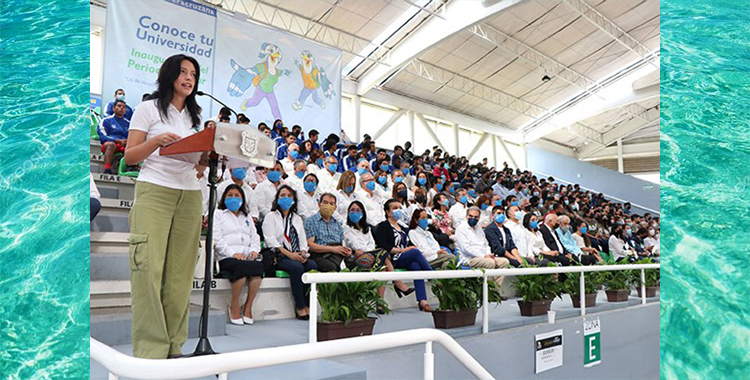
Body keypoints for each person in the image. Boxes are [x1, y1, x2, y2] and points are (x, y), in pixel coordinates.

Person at [123, 54, 206, 359]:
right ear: (169, 74)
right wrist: (156, 142)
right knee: (148, 270)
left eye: (194, 75)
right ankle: (150, 350)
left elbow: (198, 165)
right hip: (155, 190)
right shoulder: (148, 108)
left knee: (181, 276)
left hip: (189, 194)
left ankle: (173, 346)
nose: (188, 78)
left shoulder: (195, 118)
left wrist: (205, 161)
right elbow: (130, 157)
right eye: (183, 72)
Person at [342, 201, 412, 311]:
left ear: (363, 213)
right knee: (383, 252)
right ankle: (397, 282)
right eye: (352, 210)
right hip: (357, 258)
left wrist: (368, 251)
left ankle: (380, 303)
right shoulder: (346, 228)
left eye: (358, 210)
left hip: (371, 256)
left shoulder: (367, 229)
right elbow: (355, 245)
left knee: (383, 270)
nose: (355, 213)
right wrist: (367, 251)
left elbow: (371, 243)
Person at [262, 185, 317, 320]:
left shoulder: (297, 218)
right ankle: (299, 306)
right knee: (297, 267)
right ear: (277, 198)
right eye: (282, 195)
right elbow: (271, 241)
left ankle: (308, 303)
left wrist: (303, 253)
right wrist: (290, 255)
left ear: (293, 199)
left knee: (311, 266)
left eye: (289, 196)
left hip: (296, 254)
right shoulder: (271, 216)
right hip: (280, 255)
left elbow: (303, 240)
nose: (285, 198)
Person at [213, 185, 263, 326]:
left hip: (246, 256)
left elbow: (255, 237)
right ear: (224, 198)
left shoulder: (246, 216)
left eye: (237, 195)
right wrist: (232, 253)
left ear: (242, 199)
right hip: (226, 256)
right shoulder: (218, 214)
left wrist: (254, 250)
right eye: (230, 195)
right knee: (240, 269)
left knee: (257, 270)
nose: (233, 198)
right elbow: (217, 238)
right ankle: (234, 306)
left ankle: (247, 307)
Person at [374, 200, 434, 312]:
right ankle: (432, 276)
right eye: (395, 208)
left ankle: (422, 300)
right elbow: (385, 247)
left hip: (403, 257)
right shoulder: (383, 226)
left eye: (400, 207)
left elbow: (408, 243)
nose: (399, 210)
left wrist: (408, 248)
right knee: (415, 253)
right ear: (387, 212)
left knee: (416, 266)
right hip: (392, 258)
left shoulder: (402, 227)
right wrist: (403, 250)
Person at [455, 207, 510, 292]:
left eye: (476, 216)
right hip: (469, 258)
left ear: (479, 218)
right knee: (490, 263)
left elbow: (486, 244)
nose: (473, 218)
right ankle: (487, 292)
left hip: (484, 256)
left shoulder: (479, 228)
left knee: (504, 262)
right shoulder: (461, 229)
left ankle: (495, 290)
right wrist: (484, 256)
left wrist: (489, 254)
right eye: (470, 216)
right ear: (466, 216)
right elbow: (466, 249)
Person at [304, 193, 351, 272]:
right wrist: (333, 249)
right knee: (330, 267)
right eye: (325, 203)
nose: (328, 206)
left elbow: (342, 243)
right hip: (320, 255)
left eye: (331, 204)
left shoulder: (337, 224)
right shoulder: (311, 221)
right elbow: (310, 245)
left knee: (356, 264)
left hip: (337, 254)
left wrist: (346, 251)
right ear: (319, 204)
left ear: (335, 207)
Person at [98, 99, 131, 174]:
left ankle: (131, 167)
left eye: (124, 107)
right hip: (110, 144)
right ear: (113, 108)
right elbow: (102, 137)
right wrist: (117, 140)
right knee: (111, 144)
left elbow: (132, 137)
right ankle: (107, 169)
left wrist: (126, 141)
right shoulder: (106, 121)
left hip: (124, 145)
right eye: (119, 106)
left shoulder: (129, 123)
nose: (121, 108)